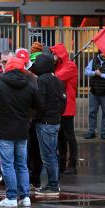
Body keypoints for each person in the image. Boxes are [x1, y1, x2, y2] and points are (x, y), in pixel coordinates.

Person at [0, 58, 41, 208]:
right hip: (22, 129)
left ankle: (11, 197)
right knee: (21, 164)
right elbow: (38, 104)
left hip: (3, 129)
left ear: (7, 68)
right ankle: (25, 196)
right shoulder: (29, 84)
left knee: (7, 164)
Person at [31, 52, 64, 196]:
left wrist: (35, 118)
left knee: (47, 156)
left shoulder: (42, 80)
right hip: (55, 120)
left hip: (45, 122)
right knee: (52, 154)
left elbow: (41, 103)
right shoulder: (56, 79)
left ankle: (52, 185)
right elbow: (63, 100)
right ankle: (53, 183)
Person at [51, 43, 79, 174]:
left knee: (69, 136)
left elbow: (56, 78)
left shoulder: (70, 66)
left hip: (67, 106)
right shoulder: (60, 65)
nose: (53, 56)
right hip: (60, 106)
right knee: (61, 136)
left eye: (54, 54)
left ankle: (72, 164)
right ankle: (62, 164)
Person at [84, 49, 105, 140]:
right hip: (94, 92)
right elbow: (86, 71)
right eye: (102, 53)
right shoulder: (94, 60)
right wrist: (94, 72)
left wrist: (102, 75)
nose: (104, 55)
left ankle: (103, 133)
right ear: (99, 53)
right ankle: (91, 132)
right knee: (92, 113)